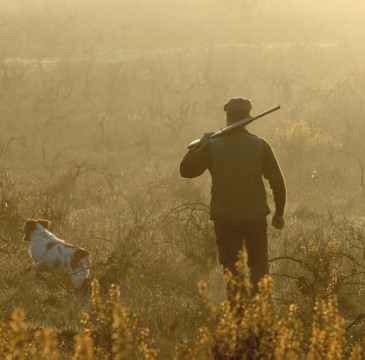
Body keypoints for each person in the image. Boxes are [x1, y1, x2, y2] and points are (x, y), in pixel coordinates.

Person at [180, 97, 286, 296]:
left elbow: (186, 170)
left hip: (225, 219)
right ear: (248, 118)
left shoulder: (211, 145)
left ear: (227, 117)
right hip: (255, 218)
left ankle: (237, 319)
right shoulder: (261, 145)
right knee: (260, 270)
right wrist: (278, 213)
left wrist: (200, 144)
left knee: (232, 271)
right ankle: (260, 317)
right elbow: (278, 182)